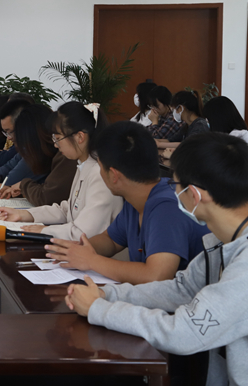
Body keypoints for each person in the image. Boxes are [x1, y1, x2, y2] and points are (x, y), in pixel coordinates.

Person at [64, 132, 248, 386]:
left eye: (175, 186)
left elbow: (184, 331)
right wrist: (108, 296)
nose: (172, 193)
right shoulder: (223, 242)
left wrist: (99, 309)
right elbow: (182, 288)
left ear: (194, 195)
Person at [46, 121, 209, 283]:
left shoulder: (167, 206)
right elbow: (110, 240)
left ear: (114, 175)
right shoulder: (137, 198)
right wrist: (76, 250)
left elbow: (156, 276)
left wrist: (91, 261)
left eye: (101, 167)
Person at [0, 102, 122, 241]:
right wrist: (24, 214)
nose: (55, 144)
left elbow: (84, 233)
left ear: (80, 137)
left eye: (58, 138)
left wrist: (44, 230)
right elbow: (67, 209)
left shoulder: (100, 174)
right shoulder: (84, 165)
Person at [0, 103, 77, 207]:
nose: (10, 138)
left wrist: (23, 186)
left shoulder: (66, 156)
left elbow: (47, 197)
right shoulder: (53, 153)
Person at [158, 90, 210, 155]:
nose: (173, 112)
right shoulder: (187, 125)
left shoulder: (200, 124)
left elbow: (187, 145)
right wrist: (155, 141)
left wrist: (159, 144)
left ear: (180, 108)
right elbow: (171, 140)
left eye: (174, 109)